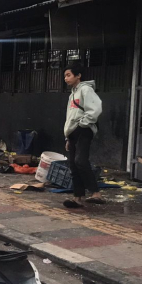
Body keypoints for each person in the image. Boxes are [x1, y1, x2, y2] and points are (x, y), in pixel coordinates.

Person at [62, 66, 103, 208]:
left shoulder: (86, 90)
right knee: (73, 164)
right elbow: (70, 116)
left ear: (78, 75)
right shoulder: (72, 94)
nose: (66, 78)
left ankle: (96, 193)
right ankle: (77, 197)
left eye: (68, 75)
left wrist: (83, 124)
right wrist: (68, 137)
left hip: (84, 130)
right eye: (65, 76)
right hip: (73, 132)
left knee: (80, 160)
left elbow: (95, 109)